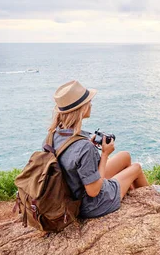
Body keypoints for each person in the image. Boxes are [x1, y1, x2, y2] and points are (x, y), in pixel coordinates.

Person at [46, 80, 150, 218]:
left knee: (125, 156)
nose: (91, 104)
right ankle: (152, 197)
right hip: (91, 204)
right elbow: (94, 191)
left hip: (71, 192)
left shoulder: (51, 137)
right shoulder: (84, 147)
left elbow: (72, 162)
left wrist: (88, 146)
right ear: (82, 109)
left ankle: (130, 190)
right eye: (89, 101)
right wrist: (105, 154)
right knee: (136, 167)